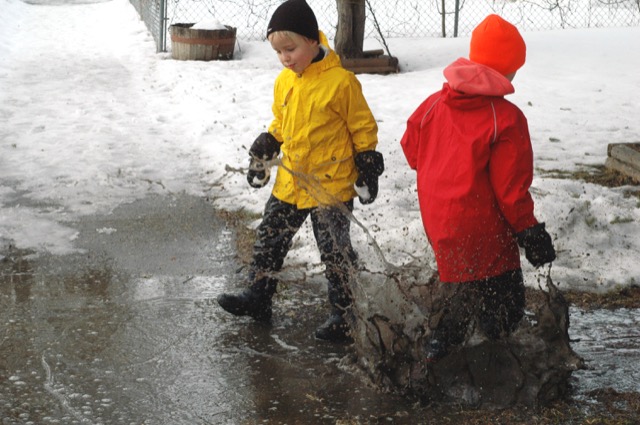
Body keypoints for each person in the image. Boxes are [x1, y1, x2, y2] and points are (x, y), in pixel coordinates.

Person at [217, 0, 383, 342]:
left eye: (290, 49)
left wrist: (367, 163)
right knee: (269, 239)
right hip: (291, 181)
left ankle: (343, 312)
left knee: (335, 250)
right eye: (278, 53)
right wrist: (268, 142)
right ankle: (258, 296)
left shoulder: (341, 83)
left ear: (312, 41)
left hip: (329, 185)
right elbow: (282, 121)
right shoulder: (285, 82)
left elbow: (362, 127)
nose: (285, 58)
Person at [400, 14, 556, 362]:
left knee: (459, 290)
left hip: (441, 223)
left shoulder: (433, 105)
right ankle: (491, 364)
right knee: (505, 309)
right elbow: (510, 191)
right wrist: (530, 232)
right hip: (485, 230)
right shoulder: (506, 118)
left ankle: (433, 351)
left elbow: (412, 150)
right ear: (508, 71)